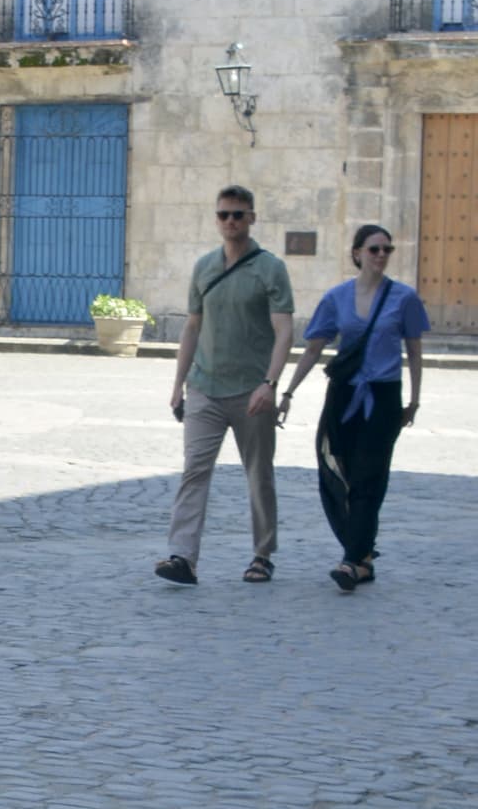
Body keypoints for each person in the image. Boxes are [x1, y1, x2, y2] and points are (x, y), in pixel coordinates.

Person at [272, 223, 427, 590]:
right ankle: (363, 556)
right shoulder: (336, 297)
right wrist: (287, 393)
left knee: (370, 478)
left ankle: (351, 560)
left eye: (387, 249)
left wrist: (415, 401)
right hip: (343, 396)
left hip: (384, 397)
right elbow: (314, 348)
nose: (381, 255)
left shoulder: (404, 298)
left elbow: (415, 352)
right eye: (374, 249)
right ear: (357, 253)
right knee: (335, 470)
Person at [155, 184, 295, 586]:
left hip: (252, 391)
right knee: (194, 472)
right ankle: (183, 556)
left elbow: (284, 331)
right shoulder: (204, 267)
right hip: (204, 387)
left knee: (258, 474)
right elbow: (192, 327)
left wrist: (270, 383)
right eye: (223, 215)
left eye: (238, 214)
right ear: (216, 219)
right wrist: (178, 384)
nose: (230, 221)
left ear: (252, 218)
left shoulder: (270, 268)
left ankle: (262, 554)